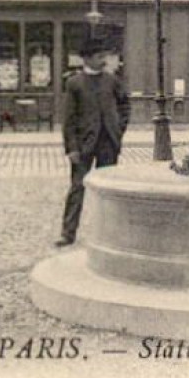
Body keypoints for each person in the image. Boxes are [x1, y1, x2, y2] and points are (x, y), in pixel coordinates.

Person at [59, 38, 130, 246]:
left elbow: (125, 105)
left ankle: (109, 234)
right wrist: (71, 148)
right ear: (87, 59)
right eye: (100, 57)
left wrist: (119, 128)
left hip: (108, 142)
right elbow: (68, 118)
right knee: (77, 188)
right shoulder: (74, 83)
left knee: (108, 190)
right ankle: (68, 232)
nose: (104, 61)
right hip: (83, 145)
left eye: (105, 56)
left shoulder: (112, 81)